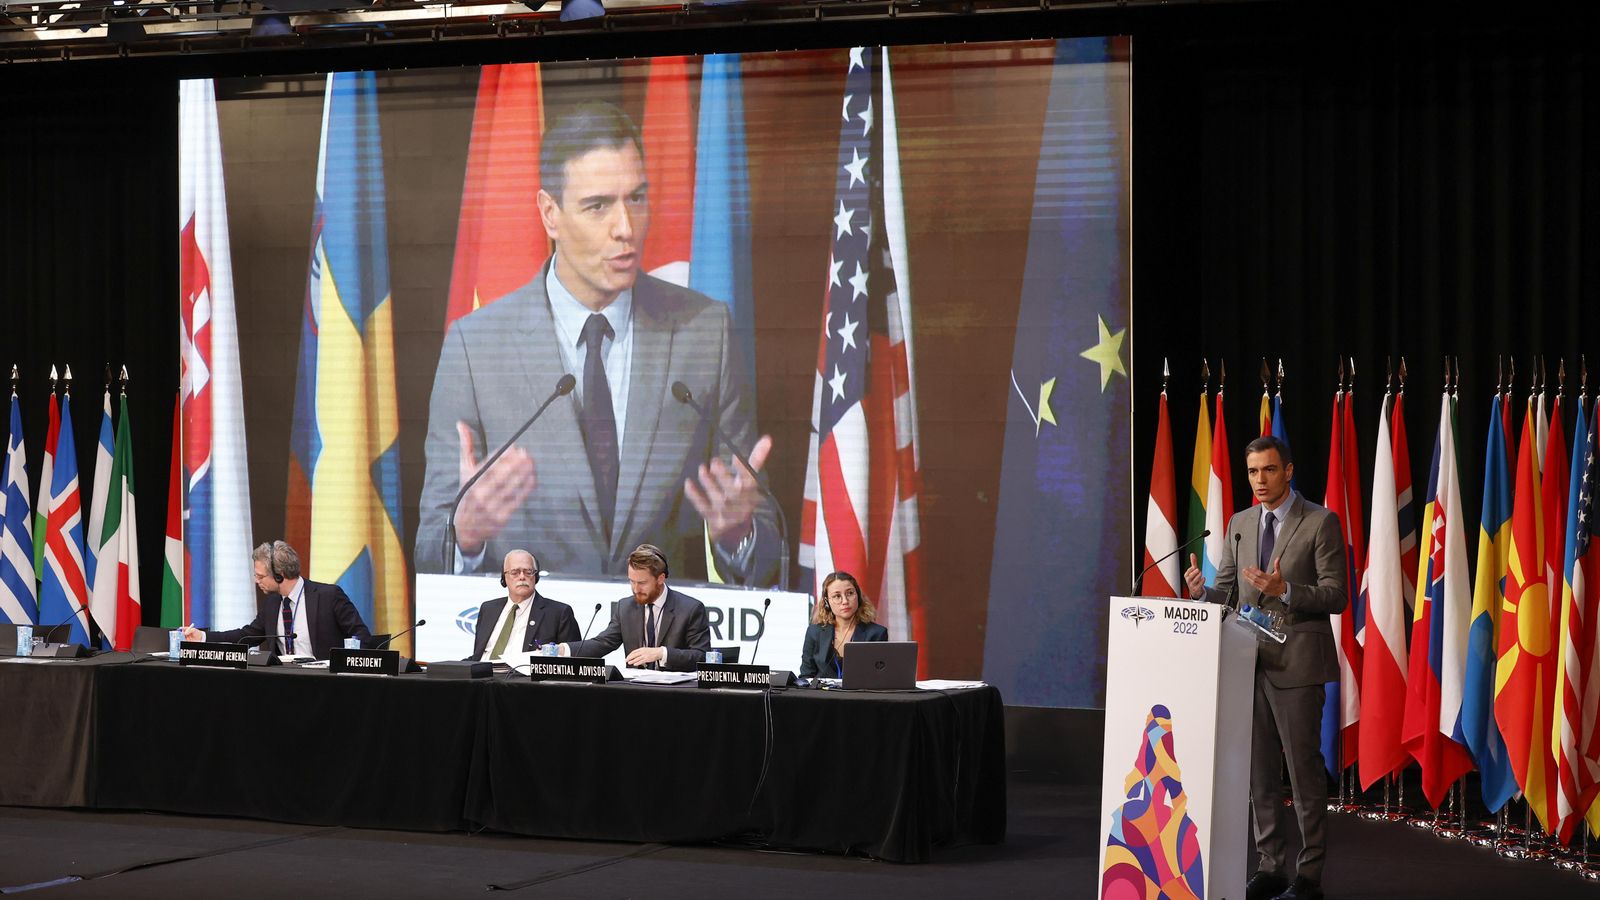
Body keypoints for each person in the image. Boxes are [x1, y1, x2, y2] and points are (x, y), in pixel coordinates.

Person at [415, 100, 780, 586]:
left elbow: (767, 545)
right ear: (551, 215)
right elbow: (428, 553)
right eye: (598, 205)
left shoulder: (703, 332)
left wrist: (738, 535)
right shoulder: (477, 347)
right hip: (534, 649)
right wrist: (464, 537)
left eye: (637, 198)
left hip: (661, 643)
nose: (625, 228)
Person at [1182, 435, 1346, 900]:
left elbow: (1336, 594)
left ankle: (1308, 876)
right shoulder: (1239, 523)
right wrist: (1200, 594)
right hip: (1247, 666)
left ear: (1288, 471)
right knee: (1260, 776)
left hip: (1297, 668)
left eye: (1269, 470)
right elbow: (1229, 596)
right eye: (1253, 472)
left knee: (1303, 773)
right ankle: (1271, 865)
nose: (1259, 480)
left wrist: (1286, 589)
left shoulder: (1320, 522)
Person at [183, 541, 371, 660]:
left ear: (280, 576)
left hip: (325, 684)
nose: (257, 581)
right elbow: (245, 636)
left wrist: (338, 664)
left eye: (261, 576)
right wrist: (203, 637)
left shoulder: (328, 596)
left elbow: (362, 637)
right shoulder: (273, 604)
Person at [561, 543, 710, 671]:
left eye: (642, 583)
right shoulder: (625, 607)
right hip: (635, 691)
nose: (635, 589)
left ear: (661, 578)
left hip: (676, 693)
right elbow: (603, 643)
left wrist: (662, 653)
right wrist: (563, 650)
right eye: (631, 581)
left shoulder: (690, 609)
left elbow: (701, 655)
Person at [470, 549, 581, 662]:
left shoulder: (559, 613)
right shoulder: (488, 609)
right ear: (504, 578)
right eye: (515, 572)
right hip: (482, 676)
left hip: (522, 678)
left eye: (528, 572)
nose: (522, 577)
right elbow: (477, 656)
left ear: (536, 577)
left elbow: (573, 662)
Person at [798, 571, 888, 679]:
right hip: (821, 695)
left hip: (858, 695)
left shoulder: (877, 633)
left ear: (858, 596)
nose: (845, 601)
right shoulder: (814, 632)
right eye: (837, 596)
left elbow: (879, 678)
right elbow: (806, 676)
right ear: (827, 602)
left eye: (850, 593)